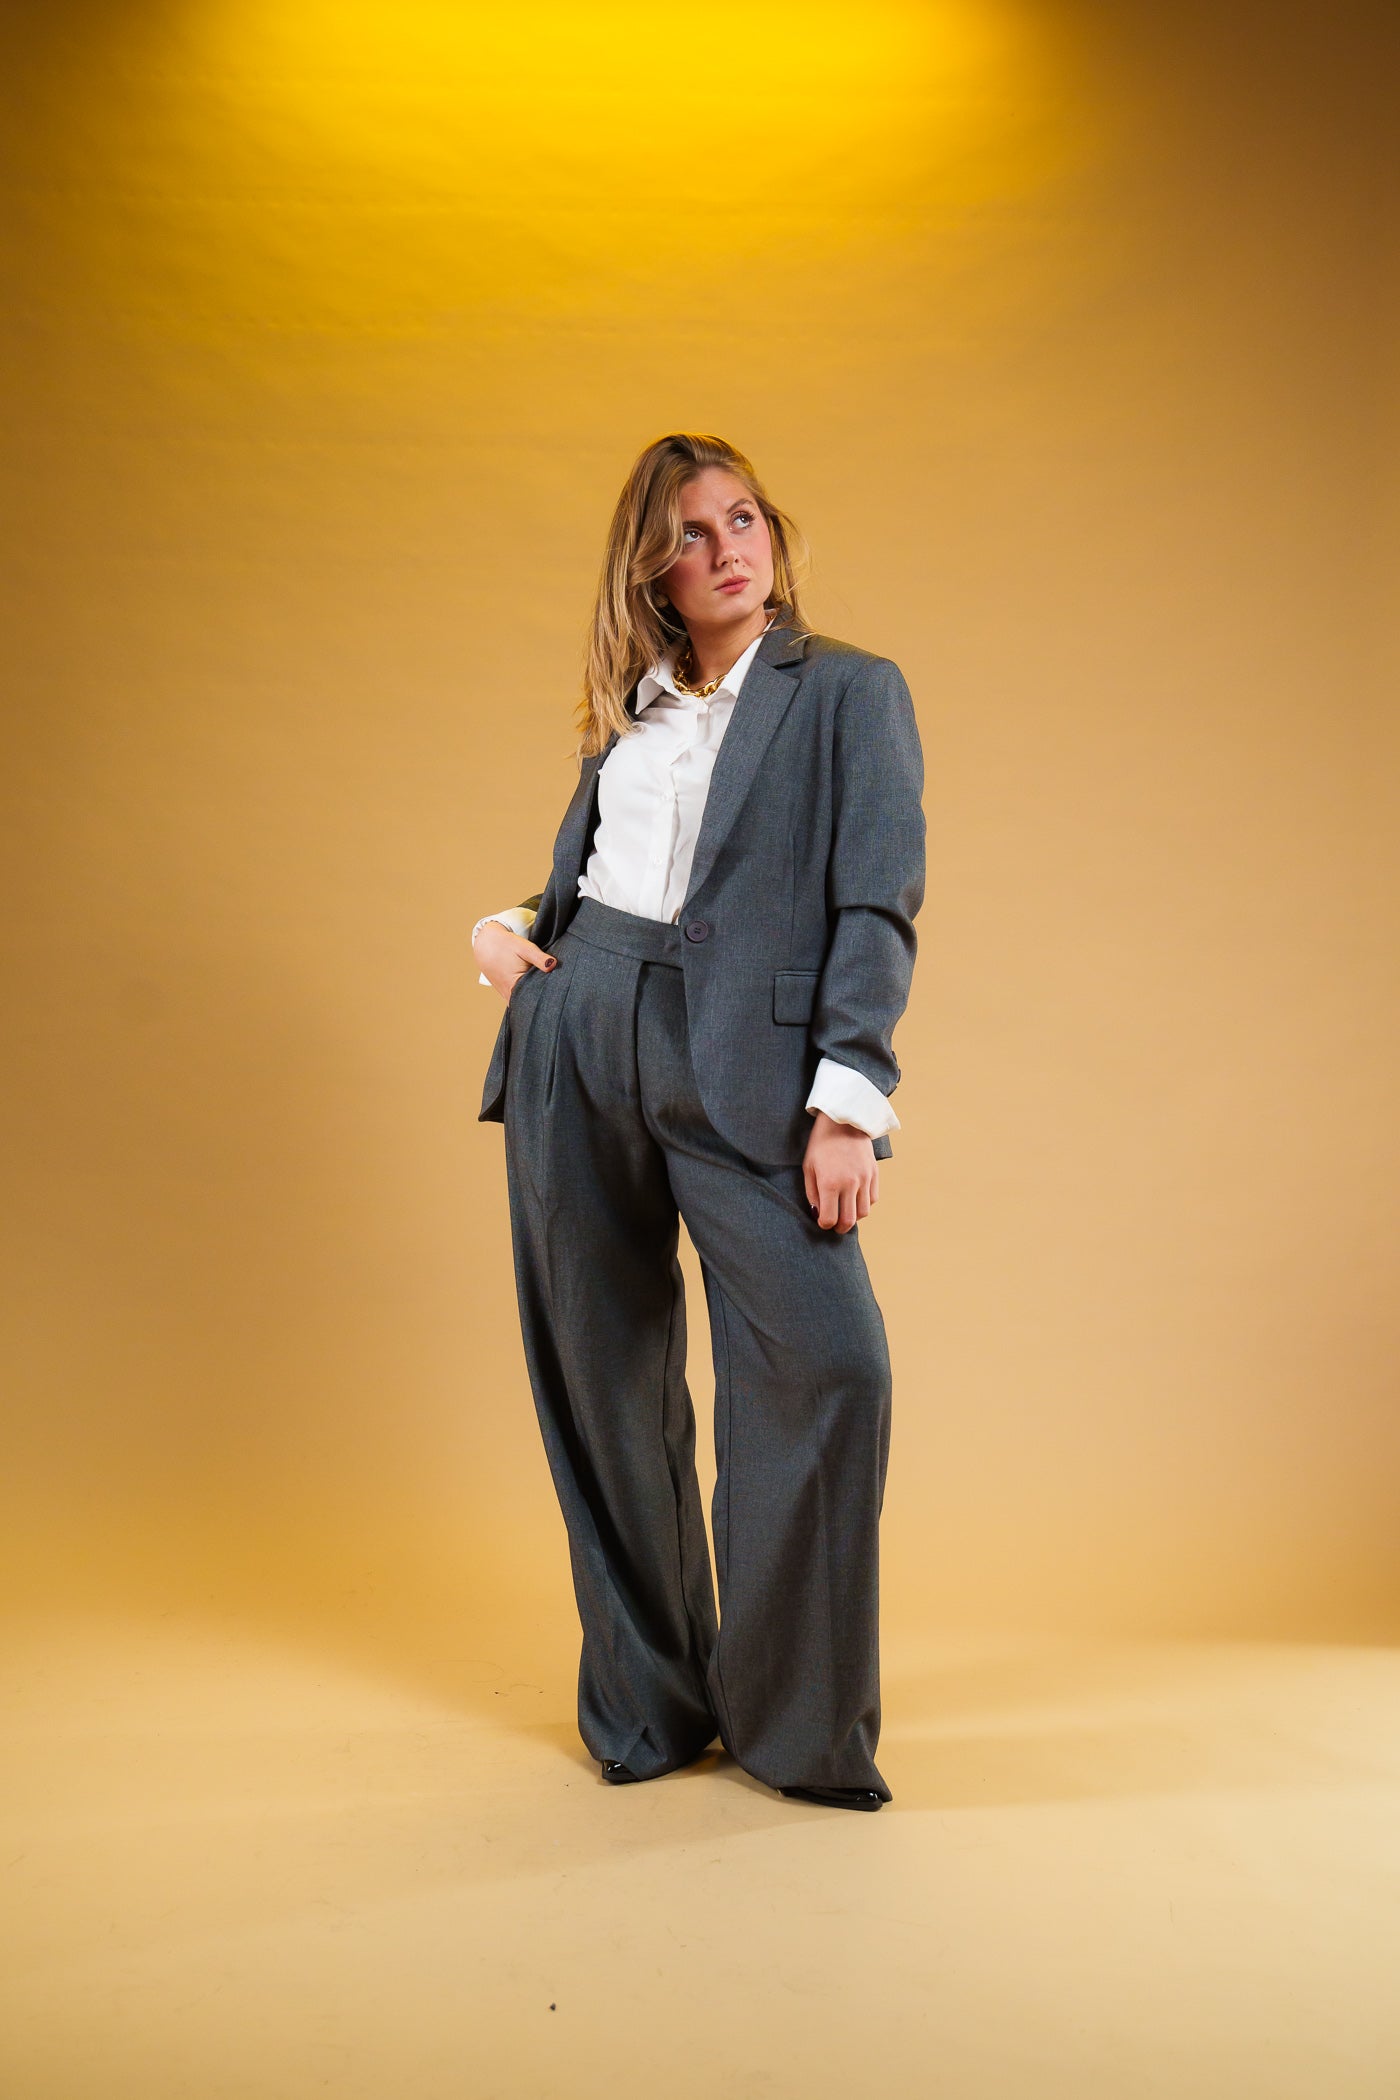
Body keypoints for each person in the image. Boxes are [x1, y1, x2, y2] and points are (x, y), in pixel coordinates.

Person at [473, 433, 925, 1810]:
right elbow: (611, 873)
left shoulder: (846, 690)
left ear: (771, 532)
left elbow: (875, 901)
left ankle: (797, 1728)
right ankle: (649, 1706)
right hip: (580, 1035)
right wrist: (510, 927)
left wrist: (848, 1099)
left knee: (829, 1368)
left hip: (754, 1068)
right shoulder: (634, 707)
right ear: (651, 572)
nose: (727, 548)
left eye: (742, 519)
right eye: (689, 533)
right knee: (601, 1376)